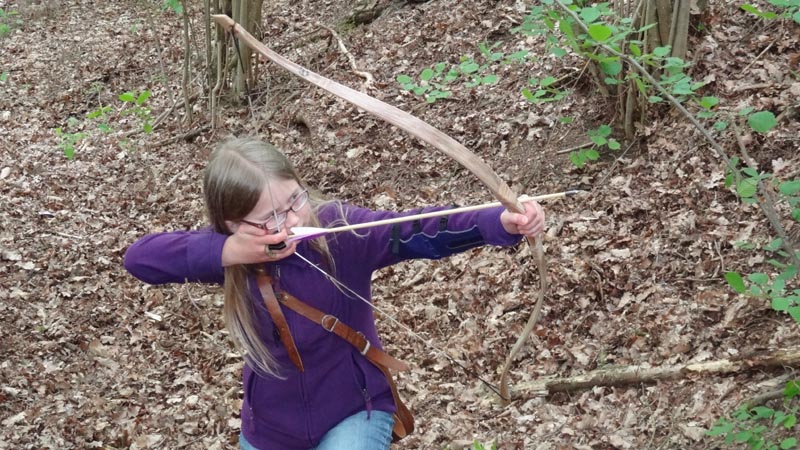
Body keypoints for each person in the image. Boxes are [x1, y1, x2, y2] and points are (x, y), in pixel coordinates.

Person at [124, 137, 545, 450]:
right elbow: (140, 259)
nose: (291, 221)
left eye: (295, 201)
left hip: (355, 409)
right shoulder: (229, 254)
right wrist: (229, 252)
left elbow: (413, 229)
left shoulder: (339, 229)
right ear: (234, 225)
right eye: (271, 218)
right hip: (271, 426)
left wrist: (497, 221)